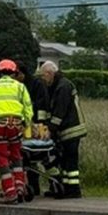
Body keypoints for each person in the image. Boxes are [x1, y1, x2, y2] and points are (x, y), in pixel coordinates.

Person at [40, 60, 87, 199]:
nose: (43, 79)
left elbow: (59, 112)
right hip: (68, 129)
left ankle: (73, 190)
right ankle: (66, 188)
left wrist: (50, 129)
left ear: (49, 73)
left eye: (43, 76)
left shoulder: (63, 87)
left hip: (71, 130)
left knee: (70, 161)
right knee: (65, 160)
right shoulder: (59, 85)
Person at [0, 59, 33, 203]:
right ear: (14, 72)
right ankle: (20, 187)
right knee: (16, 155)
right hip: (16, 124)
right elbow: (28, 107)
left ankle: (9, 191)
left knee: (2, 158)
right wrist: (25, 123)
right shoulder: (20, 87)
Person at [17, 62, 51, 195]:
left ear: (21, 74)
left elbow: (41, 105)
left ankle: (42, 185)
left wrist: (40, 124)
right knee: (28, 157)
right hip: (25, 124)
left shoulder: (36, 84)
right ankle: (33, 186)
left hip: (36, 125)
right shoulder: (21, 85)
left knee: (39, 156)